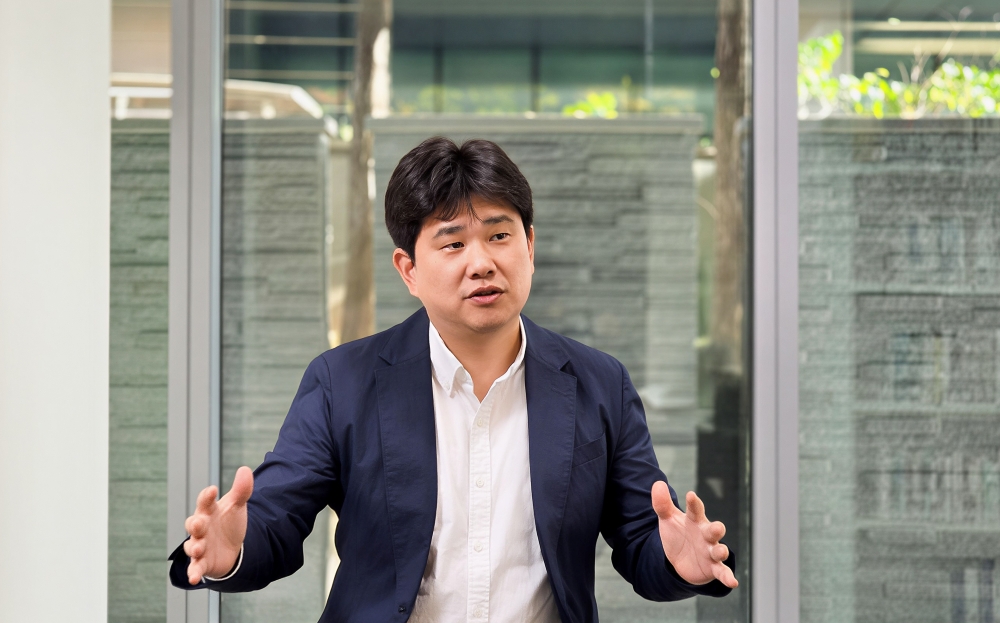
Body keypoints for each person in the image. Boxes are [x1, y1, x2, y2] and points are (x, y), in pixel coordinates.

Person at [168, 137, 738, 622]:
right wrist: (231, 550)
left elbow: (643, 539)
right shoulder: (344, 381)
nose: (481, 262)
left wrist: (680, 563)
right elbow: (275, 520)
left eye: (499, 236)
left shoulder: (598, 383)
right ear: (409, 270)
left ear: (530, 246)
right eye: (453, 242)